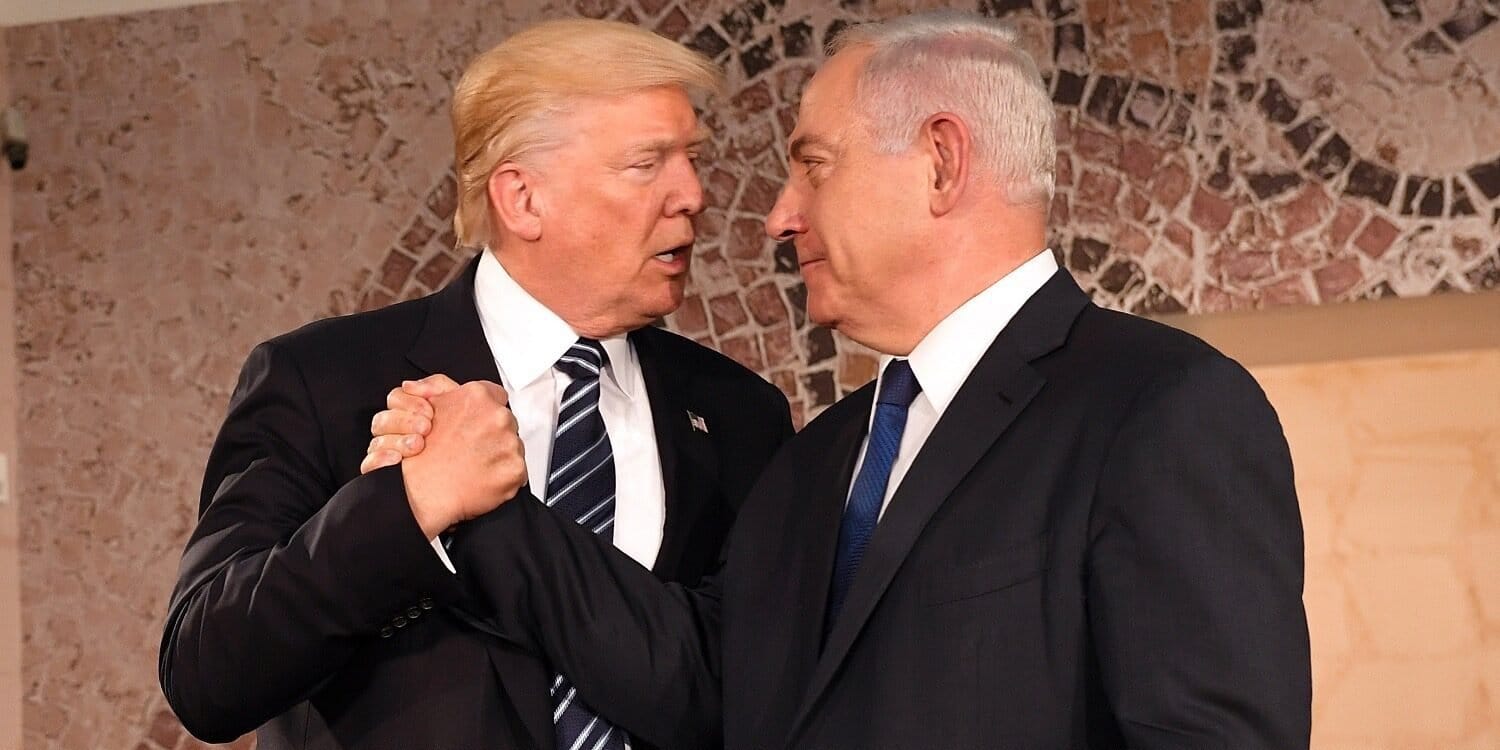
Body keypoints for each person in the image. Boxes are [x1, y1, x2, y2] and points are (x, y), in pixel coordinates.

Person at [372, 10, 1312, 749]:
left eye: (813, 167)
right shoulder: (814, 459)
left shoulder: (1161, 409)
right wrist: (484, 506)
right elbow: (699, 680)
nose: (778, 216)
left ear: (941, 162)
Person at [158, 18, 792, 750]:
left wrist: (491, 519)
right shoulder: (322, 380)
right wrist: (407, 506)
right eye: (647, 164)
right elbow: (206, 676)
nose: (693, 194)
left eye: (693, 159)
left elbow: (739, 695)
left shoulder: (740, 415)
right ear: (522, 199)